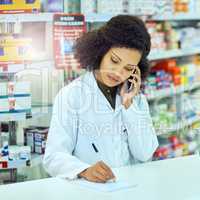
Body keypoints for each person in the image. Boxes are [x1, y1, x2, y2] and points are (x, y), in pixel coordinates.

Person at [43, 15, 159, 183]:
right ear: (101, 50)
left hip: (128, 189)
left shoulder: (136, 99)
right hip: (89, 190)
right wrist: (84, 170)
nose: (118, 72)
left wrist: (129, 105)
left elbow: (145, 153)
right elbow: (54, 157)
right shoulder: (72, 95)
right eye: (114, 60)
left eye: (128, 68)